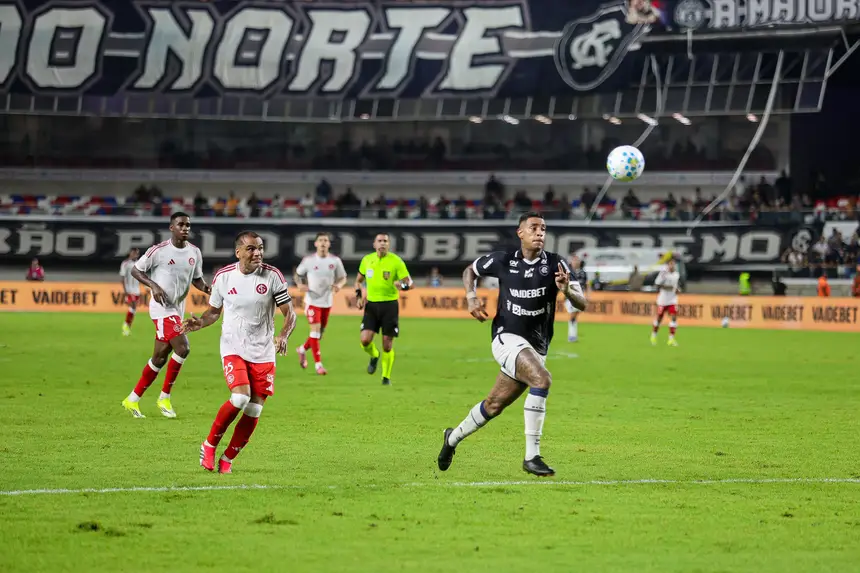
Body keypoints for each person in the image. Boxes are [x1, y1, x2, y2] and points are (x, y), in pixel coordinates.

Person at [437, 212, 587, 477]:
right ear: (521, 233)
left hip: (536, 346)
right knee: (542, 380)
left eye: (543, 228)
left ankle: (452, 438)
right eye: (534, 228)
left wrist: (566, 290)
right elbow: (470, 271)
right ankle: (532, 456)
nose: (539, 232)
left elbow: (582, 303)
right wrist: (471, 297)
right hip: (506, 338)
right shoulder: (503, 260)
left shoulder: (556, 263)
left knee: (494, 405)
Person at [180, 232, 296, 473]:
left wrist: (284, 335)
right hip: (233, 346)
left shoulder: (272, 276)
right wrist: (200, 322)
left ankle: (228, 458)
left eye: (260, 248)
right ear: (238, 252)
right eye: (251, 249)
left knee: (254, 409)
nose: (258, 253)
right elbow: (213, 312)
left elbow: (290, 313)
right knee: (241, 398)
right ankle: (209, 445)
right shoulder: (224, 277)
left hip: (263, 350)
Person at [121, 212, 210, 419]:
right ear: (172, 228)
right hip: (162, 309)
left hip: (178, 308)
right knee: (183, 348)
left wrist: (208, 289)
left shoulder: (194, 252)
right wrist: (153, 286)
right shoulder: (159, 251)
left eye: (188, 225)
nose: (185, 228)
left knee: (159, 357)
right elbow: (136, 270)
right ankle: (164, 397)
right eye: (181, 224)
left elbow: (197, 279)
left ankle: (132, 399)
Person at [354, 233, 413, 386]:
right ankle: (374, 355)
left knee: (387, 345)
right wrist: (359, 297)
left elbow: (409, 283)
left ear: (389, 244)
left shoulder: (396, 261)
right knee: (365, 340)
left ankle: (386, 378)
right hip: (372, 306)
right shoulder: (367, 260)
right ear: (374, 244)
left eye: (385, 241)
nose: (382, 243)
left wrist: (402, 286)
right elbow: (358, 281)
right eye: (379, 241)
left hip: (390, 306)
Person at [294, 232, 347, 375]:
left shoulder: (335, 261)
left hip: (327, 301)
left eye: (325, 240)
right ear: (316, 243)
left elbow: (343, 277)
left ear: (329, 244)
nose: (323, 243)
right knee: (315, 332)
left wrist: (339, 286)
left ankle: (302, 349)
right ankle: (318, 365)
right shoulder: (308, 261)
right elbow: (298, 274)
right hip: (312, 301)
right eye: (320, 240)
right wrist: (300, 284)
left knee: (319, 335)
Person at [650, 257, 681, 346]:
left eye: (673, 264)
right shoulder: (663, 274)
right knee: (659, 318)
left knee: (674, 317)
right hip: (663, 300)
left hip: (672, 300)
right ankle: (653, 336)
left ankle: (671, 339)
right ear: (667, 265)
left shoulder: (676, 274)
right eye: (670, 264)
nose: (672, 265)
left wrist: (677, 289)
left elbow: (675, 285)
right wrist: (668, 288)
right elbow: (657, 284)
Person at [564, 255, 588, 342]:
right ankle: (571, 336)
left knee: (575, 315)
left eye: (577, 260)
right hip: (570, 297)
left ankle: (573, 335)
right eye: (574, 260)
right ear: (571, 262)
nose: (576, 262)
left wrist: (587, 295)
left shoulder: (583, 273)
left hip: (579, 296)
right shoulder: (568, 272)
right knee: (573, 315)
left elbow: (586, 284)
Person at [120, 248, 141, 336]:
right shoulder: (125, 264)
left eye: (137, 253)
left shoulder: (139, 263)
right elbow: (122, 278)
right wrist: (125, 292)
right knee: (132, 306)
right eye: (134, 253)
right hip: (129, 290)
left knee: (134, 309)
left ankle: (127, 326)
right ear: (130, 253)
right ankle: (125, 326)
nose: (135, 255)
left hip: (137, 290)